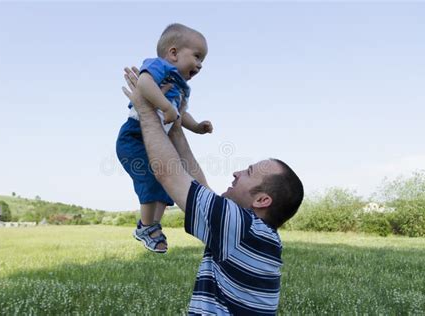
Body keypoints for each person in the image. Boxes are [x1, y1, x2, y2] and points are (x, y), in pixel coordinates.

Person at [121, 67, 304, 315]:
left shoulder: (242, 228)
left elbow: (168, 173)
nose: (236, 173)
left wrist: (145, 110)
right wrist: (175, 127)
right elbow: (200, 188)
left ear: (262, 199)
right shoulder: (258, 235)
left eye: (248, 173)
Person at [116, 23, 213, 253]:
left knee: (166, 182)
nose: (200, 65)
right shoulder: (158, 65)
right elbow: (144, 83)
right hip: (134, 136)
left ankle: (150, 226)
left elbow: (181, 114)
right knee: (151, 179)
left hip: (157, 139)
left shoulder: (181, 88)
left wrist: (197, 127)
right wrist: (165, 106)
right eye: (197, 56)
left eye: (203, 61)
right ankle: (147, 226)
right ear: (173, 53)